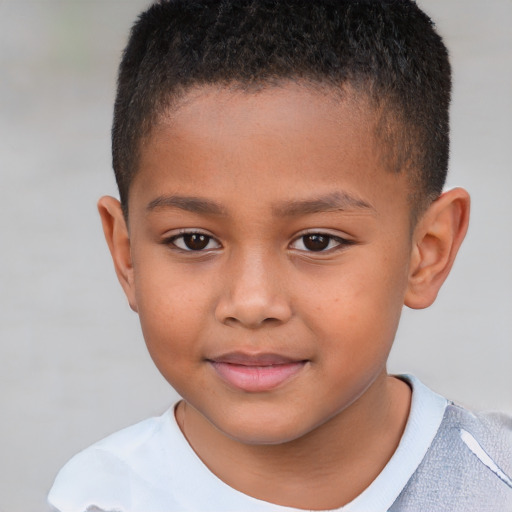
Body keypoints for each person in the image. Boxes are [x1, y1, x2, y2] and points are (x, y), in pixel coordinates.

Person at [47, 1, 512, 510]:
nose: (251, 303)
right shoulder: (99, 497)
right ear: (127, 254)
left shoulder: (496, 478)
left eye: (317, 241)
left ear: (427, 253)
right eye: (194, 241)